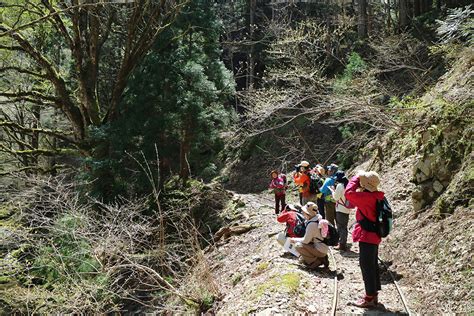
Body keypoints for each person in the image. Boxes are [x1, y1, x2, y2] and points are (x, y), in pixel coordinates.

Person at [345, 170, 384, 308]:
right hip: (375, 235)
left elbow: (348, 193)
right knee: (371, 265)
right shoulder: (377, 196)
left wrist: (355, 178)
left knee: (366, 266)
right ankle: (373, 295)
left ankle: (369, 298)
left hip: (367, 235)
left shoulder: (366, 197)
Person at [289, 202, 329, 269]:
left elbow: (305, 241)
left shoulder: (312, 224)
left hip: (320, 250)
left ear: (308, 214)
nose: (303, 213)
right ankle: (322, 258)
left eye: (304, 212)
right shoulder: (318, 218)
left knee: (298, 245)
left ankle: (316, 261)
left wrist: (294, 239)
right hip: (323, 248)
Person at [329, 171, 352, 251]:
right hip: (347, 208)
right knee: (344, 227)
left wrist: (332, 191)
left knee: (340, 227)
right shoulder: (348, 185)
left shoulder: (340, 186)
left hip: (341, 208)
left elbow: (336, 197)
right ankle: (343, 243)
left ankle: (342, 244)